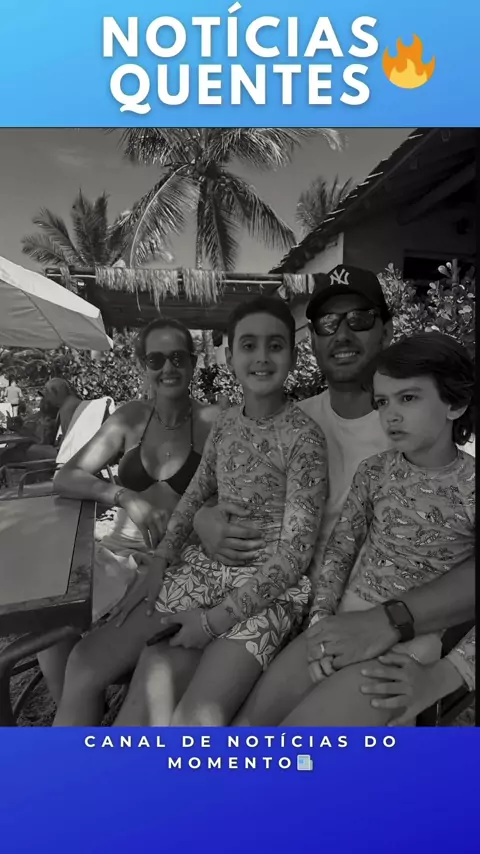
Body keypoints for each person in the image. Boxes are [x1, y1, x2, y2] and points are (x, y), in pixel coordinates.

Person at [52, 297, 328, 726]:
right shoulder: (227, 424)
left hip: (266, 587)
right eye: (248, 345)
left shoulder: (303, 438)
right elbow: (196, 495)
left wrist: (212, 621)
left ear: (293, 356)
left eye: (275, 346)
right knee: (94, 664)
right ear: (229, 357)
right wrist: (162, 561)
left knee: (188, 714)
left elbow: (294, 556)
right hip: (200, 569)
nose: (261, 357)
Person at [238, 331, 475, 726]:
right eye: (382, 402)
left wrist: (449, 673)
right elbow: (341, 549)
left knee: (299, 740)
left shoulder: (471, 486)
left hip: (413, 644)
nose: (391, 414)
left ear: (456, 403)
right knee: (248, 727)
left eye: (408, 398)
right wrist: (319, 622)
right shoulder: (375, 471)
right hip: (342, 618)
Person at [39, 317, 220, 705]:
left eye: (178, 358)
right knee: (50, 623)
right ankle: (76, 710)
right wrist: (124, 497)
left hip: (178, 560)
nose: (168, 368)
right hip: (121, 550)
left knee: (86, 659)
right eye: (156, 359)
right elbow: (66, 477)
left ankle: (82, 707)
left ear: (193, 363)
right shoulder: (131, 417)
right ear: (143, 366)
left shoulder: (215, 423)